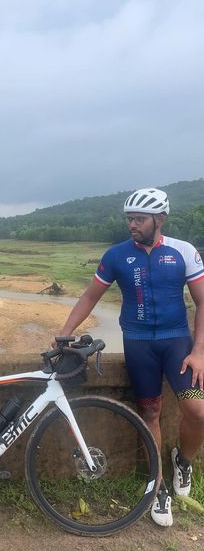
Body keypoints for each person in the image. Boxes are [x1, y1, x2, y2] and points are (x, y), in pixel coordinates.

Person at [57, 187, 204, 527]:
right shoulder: (116, 255)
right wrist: (65, 332)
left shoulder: (184, 252)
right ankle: (158, 485)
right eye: (129, 219)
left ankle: (183, 460)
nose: (132, 225)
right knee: (149, 411)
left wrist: (198, 352)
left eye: (139, 219)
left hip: (177, 344)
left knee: (197, 410)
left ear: (160, 219)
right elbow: (90, 297)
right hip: (138, 344)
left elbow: (202, 303)